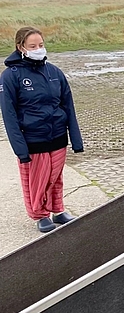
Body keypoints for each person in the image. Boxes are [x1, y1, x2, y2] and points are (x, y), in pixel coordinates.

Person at [0, 26, 83, 233]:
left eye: (41, 45)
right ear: (21, 47)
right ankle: (40, 214)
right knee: (37, 179)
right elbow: (9, 115)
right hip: (32, 140)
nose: (38, 49)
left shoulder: (54, 72)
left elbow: (68, 106)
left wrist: (76, 140)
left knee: (56, 177)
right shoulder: (11, 76)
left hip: (57, 136)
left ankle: (58, 209)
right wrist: (20, 149)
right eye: (33, 46)